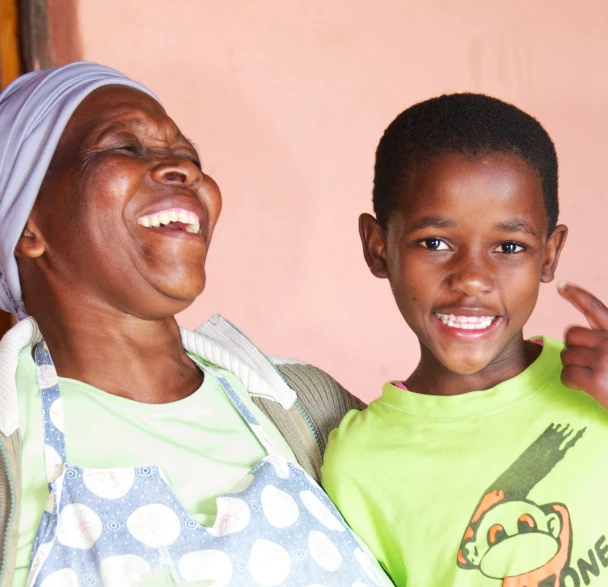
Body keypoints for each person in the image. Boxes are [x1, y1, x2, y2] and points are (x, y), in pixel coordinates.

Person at [0, 62, 393, 587]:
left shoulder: (307, 407)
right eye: (123, 146)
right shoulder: (10, 445)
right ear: (29, 227)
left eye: (188, 156)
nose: (182, 169)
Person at [321, 93, 608, 587]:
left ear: (549, 254)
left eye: (509, 246)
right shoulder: (360, 464)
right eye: (435, 242)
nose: (473, 277)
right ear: (378, 248)